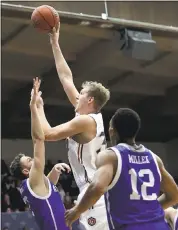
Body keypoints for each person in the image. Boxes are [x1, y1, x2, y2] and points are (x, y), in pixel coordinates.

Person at [34, 22, 110, 229]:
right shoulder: (92, 115)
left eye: (82, 94)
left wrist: (38, 107)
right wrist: (54, 42)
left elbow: (47, 134)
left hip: (94, 189)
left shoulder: (84, 121)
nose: (77, 95)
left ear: (90, 100)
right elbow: (66, 77)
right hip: (97, 188)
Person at [65, 108, 178, 229]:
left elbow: (97, 187)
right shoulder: (154, 159)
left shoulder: (111, 156)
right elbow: (174, 195)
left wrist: (76, 211)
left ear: (112, 131)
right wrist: (148, 212)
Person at [10, 78, 70, 230]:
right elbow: (38, 139)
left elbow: (47, 189)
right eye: (29, 160)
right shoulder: (33, 179)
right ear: (26, 171)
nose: (34, 160)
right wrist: (34, 107)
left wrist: (54, 170)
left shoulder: (33, 184)